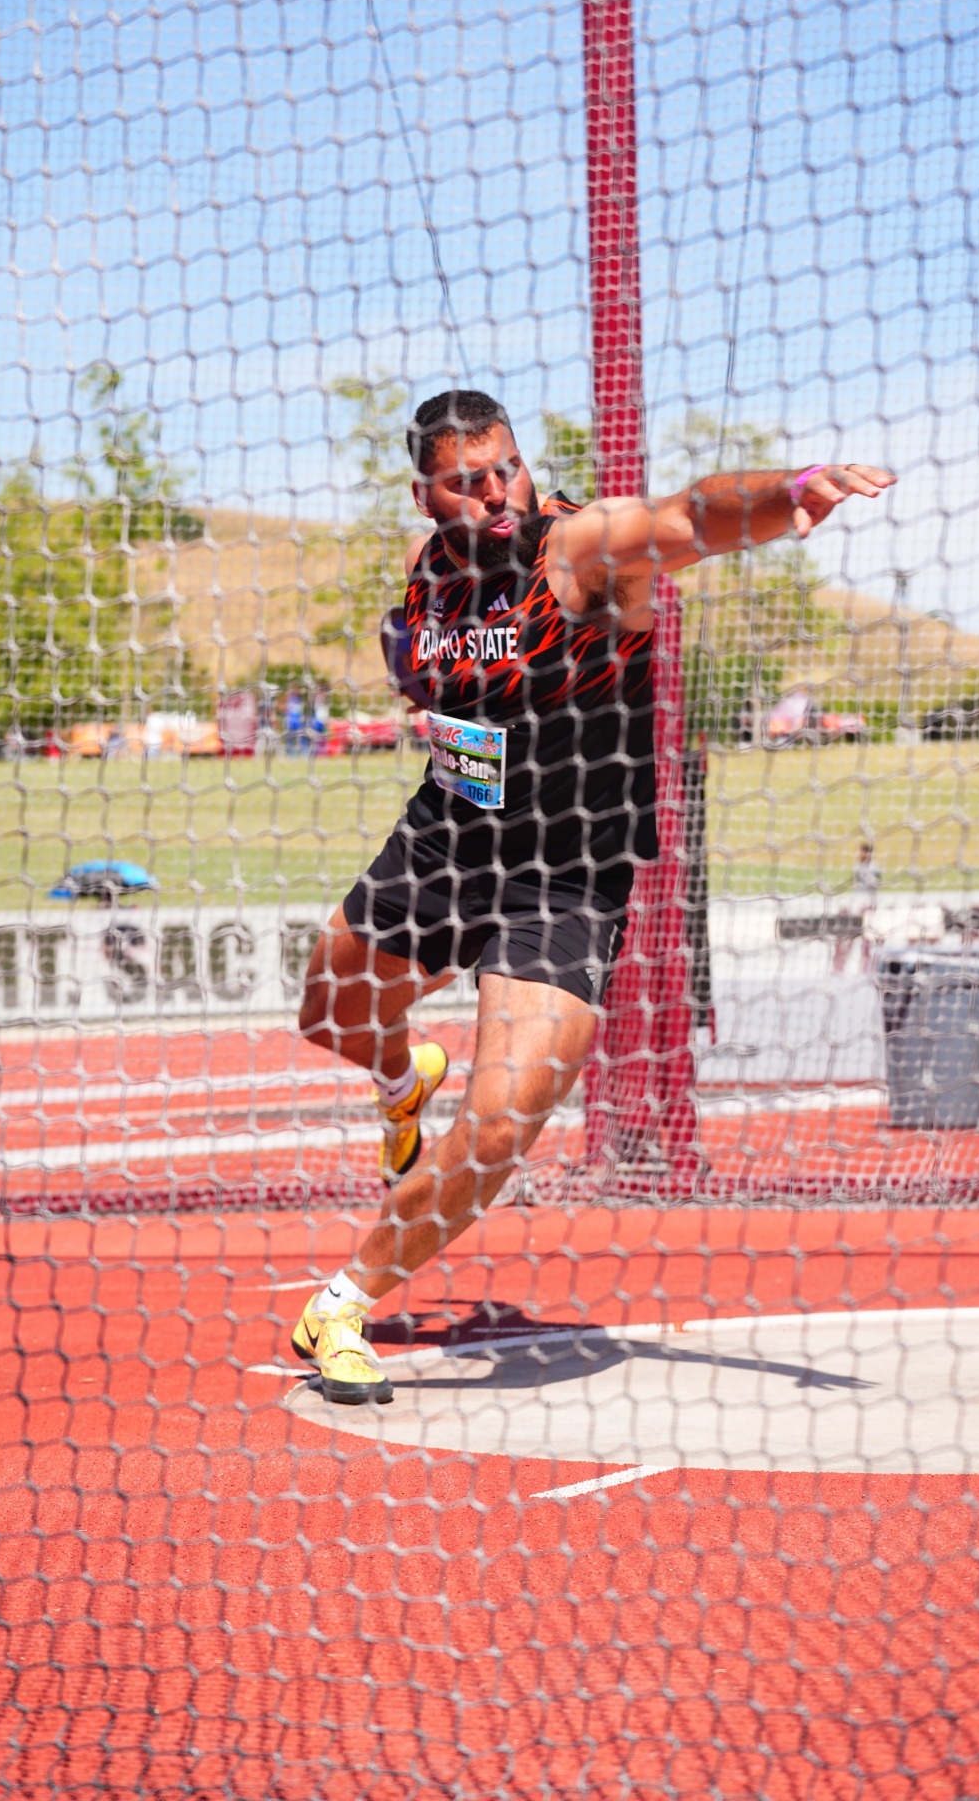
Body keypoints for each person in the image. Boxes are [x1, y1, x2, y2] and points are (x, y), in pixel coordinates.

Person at [294, 390, 893, 1403]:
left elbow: (687, 516)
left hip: (563, 875)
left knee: (500, 1122)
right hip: (446, 836)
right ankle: (401, 1074)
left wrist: (789, 493)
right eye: (465, 480)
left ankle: (341, 1303)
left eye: (505, 470)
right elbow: (428, 662)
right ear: (424, 492)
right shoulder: (432, 570)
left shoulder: (573, 549)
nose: (493, 494)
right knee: (328, 1015)